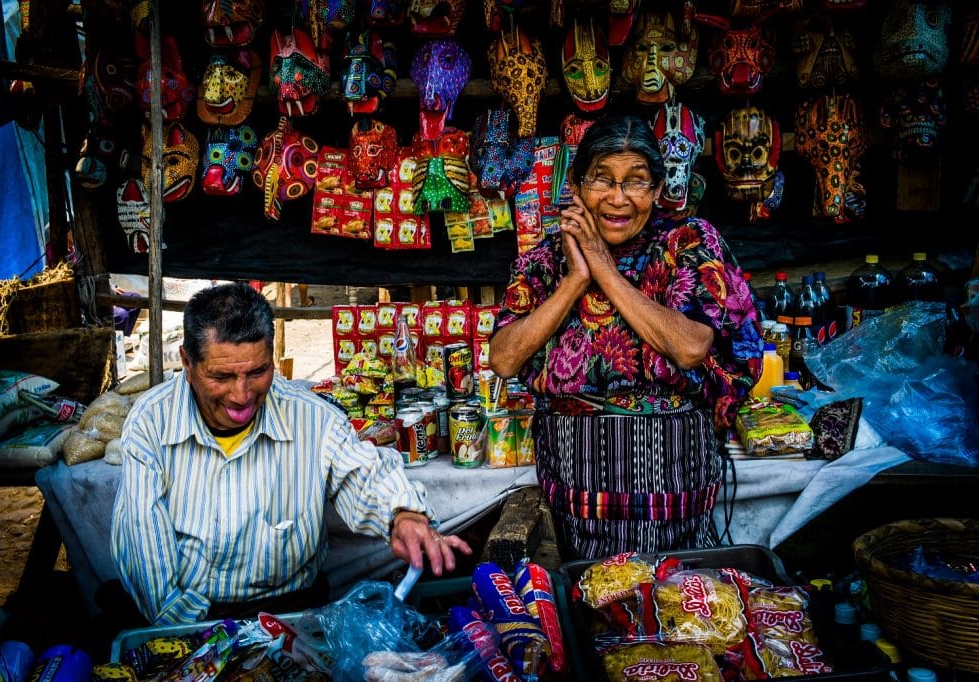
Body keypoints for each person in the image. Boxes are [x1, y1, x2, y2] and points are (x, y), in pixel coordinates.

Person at [110, 282, 470, 625]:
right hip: (189, 619)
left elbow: (362, 473)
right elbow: (147, 561)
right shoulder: (151, 423)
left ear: (272, 355)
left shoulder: (312, 416)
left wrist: (404, 516)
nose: (241, 394)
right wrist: (207, 643)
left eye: (258, 372)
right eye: (220, 377)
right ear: (187, 364)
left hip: (291, 611)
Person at [489, 113, 762, 560]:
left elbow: (692, 347)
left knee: (671, 598)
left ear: (656, 190)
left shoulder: (686, 244)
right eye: (602, 180)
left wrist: (603, 267)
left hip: (669, 477)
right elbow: (504, 358)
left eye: (635, 182)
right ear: (576, 186)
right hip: (574, 480)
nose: (618, 199)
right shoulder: (545, 260)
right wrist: (575, 280)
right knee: (586, 594)